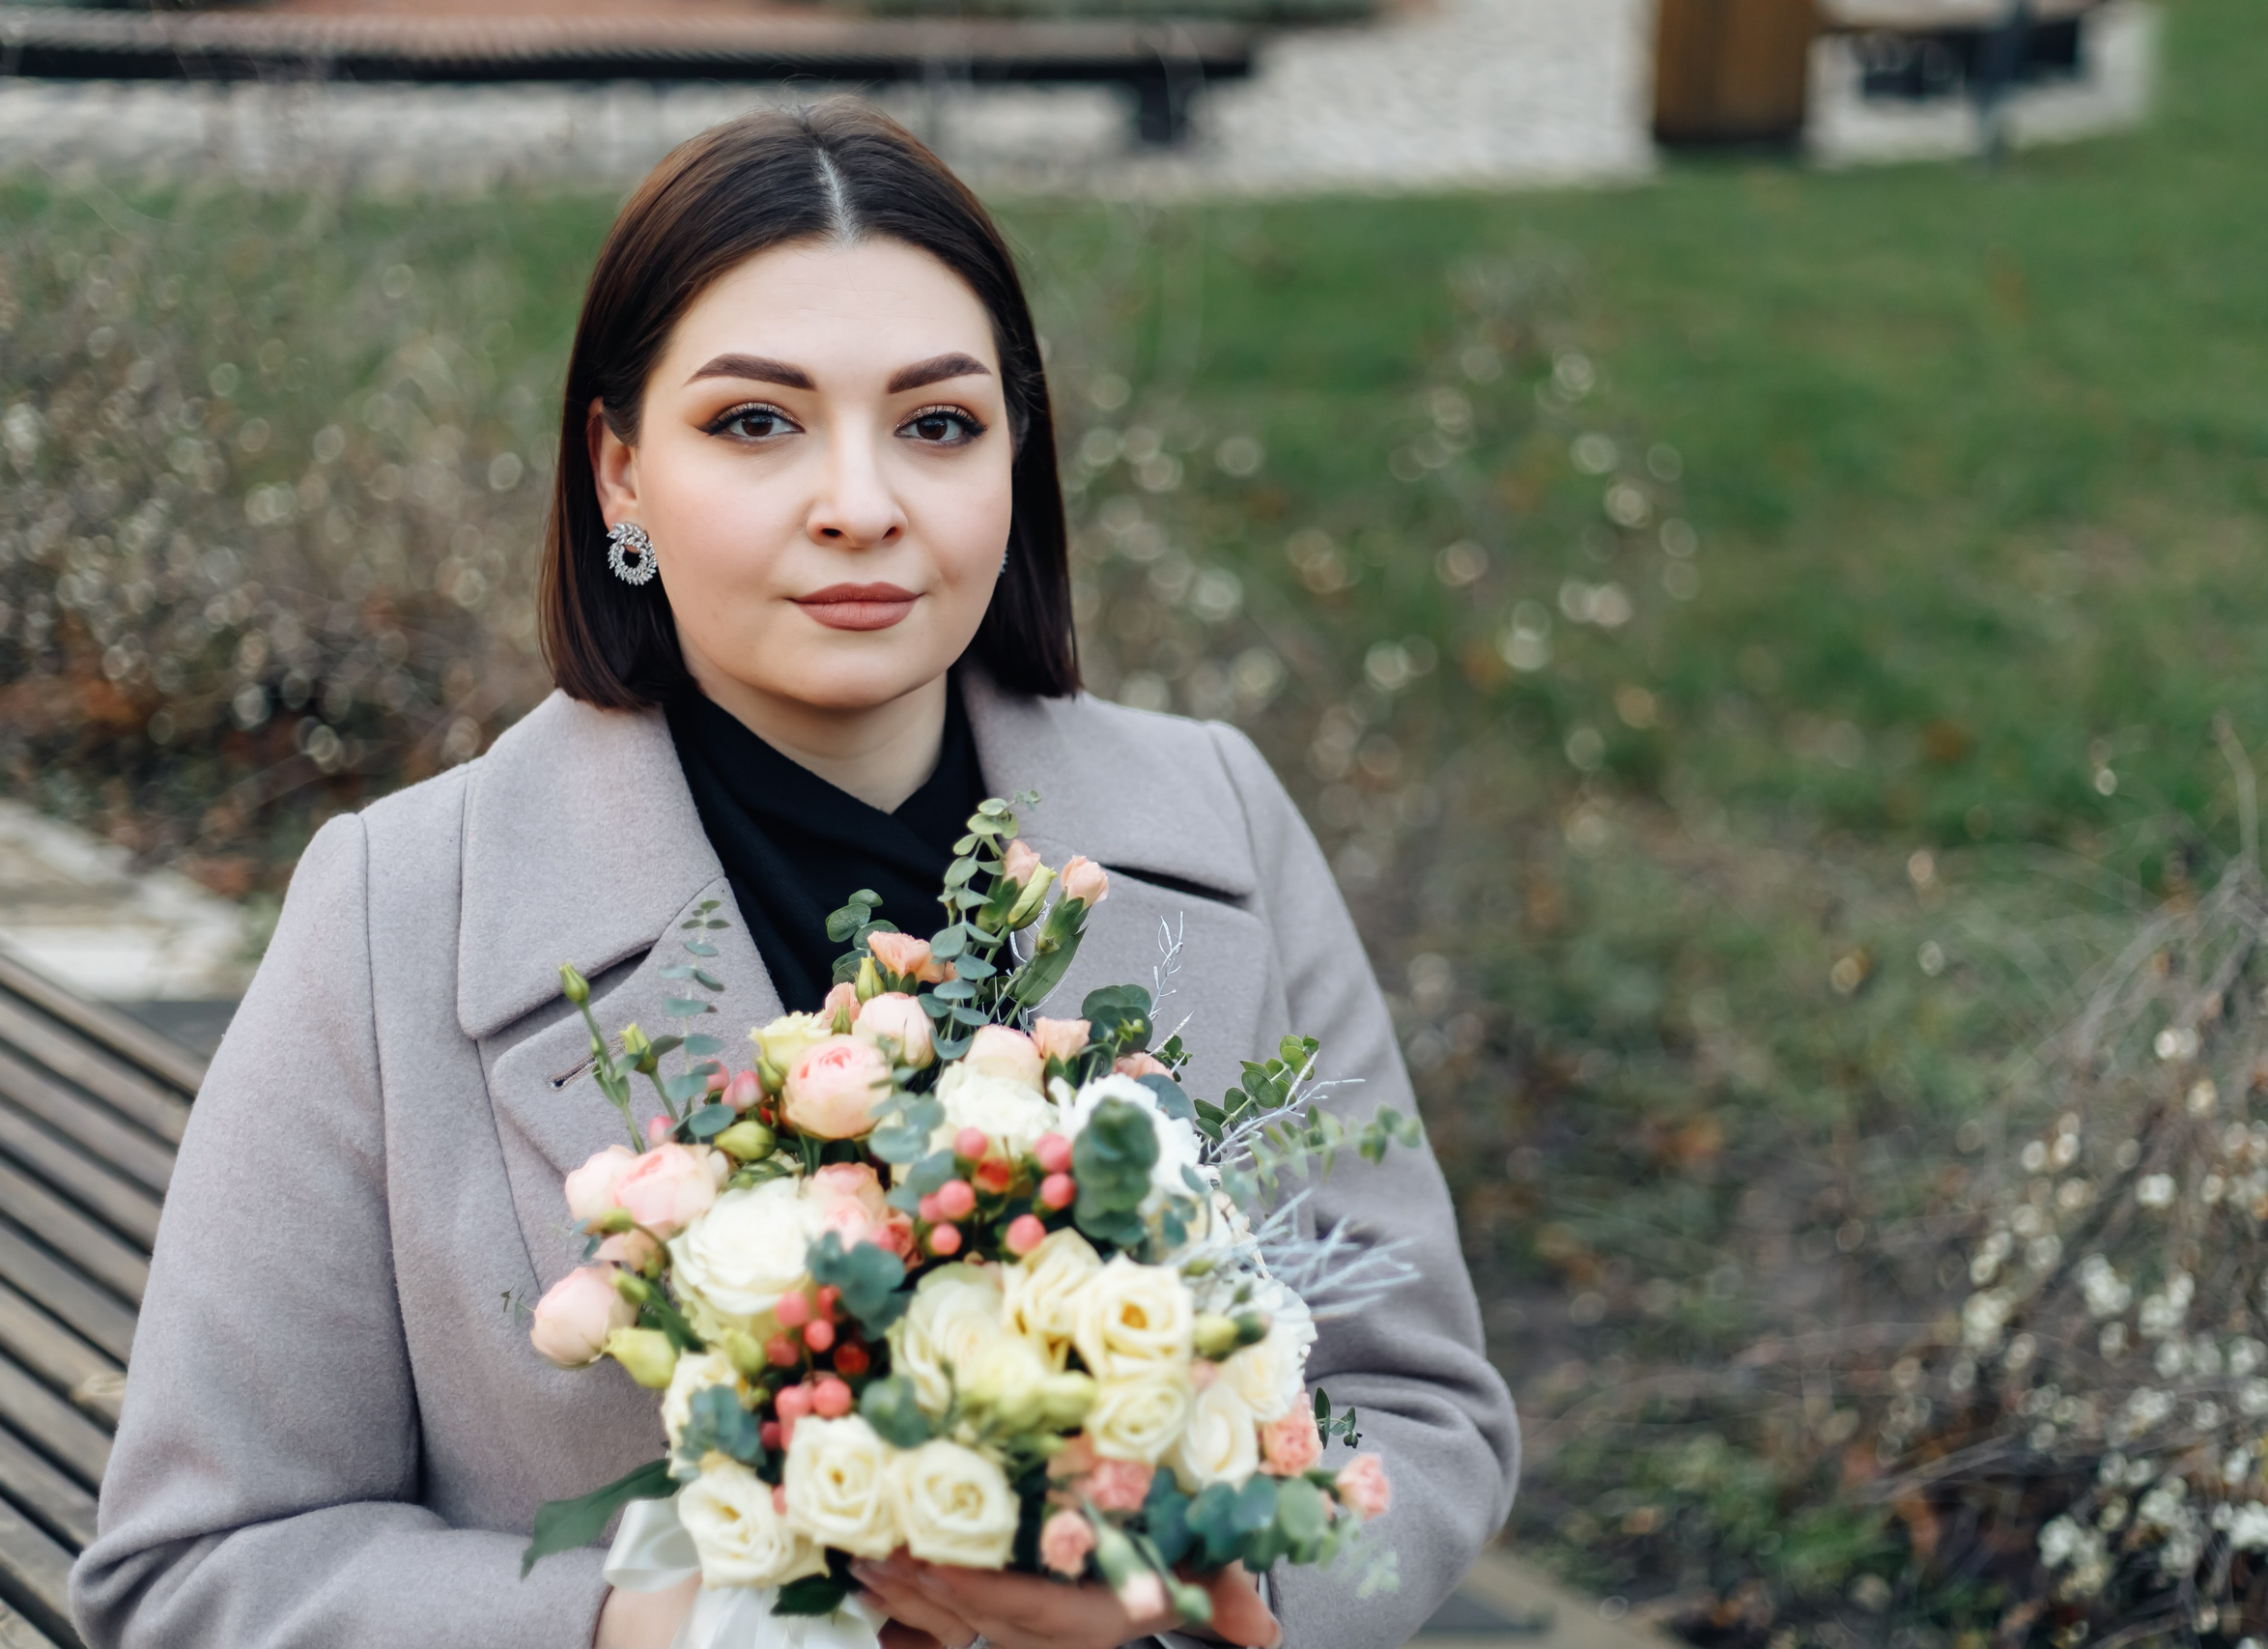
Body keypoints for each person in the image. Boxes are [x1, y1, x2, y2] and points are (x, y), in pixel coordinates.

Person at [70, 102, 1517, 1649]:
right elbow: (196, 1568)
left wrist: (1194, 1597)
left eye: (937, 423)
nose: (861, 502)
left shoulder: (1213, 814)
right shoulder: (395, 908)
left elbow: (1416, 1417)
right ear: (620, 471)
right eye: (756, 422)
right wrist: (651, 1629)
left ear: (1015, 456)